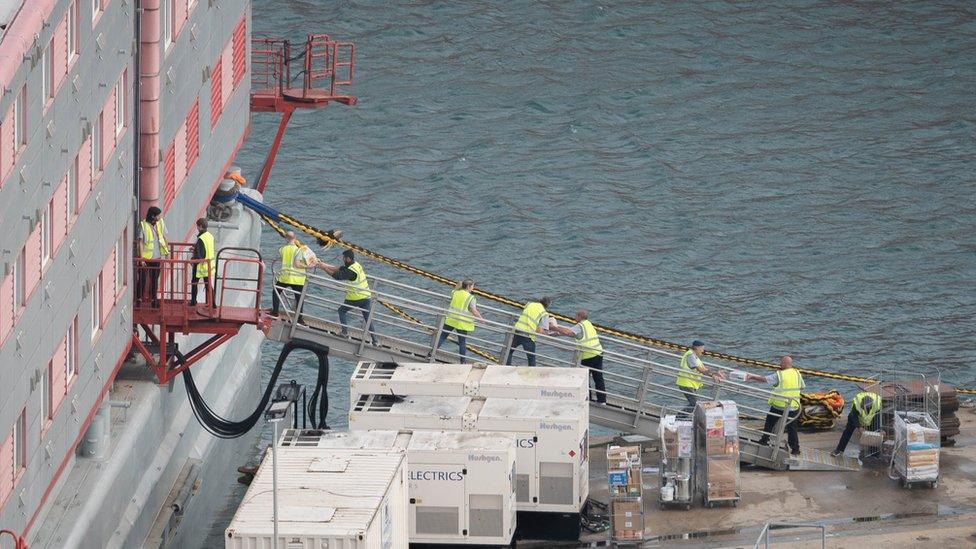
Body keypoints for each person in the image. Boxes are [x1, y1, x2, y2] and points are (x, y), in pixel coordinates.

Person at [745, 355, 805, 456]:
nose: (779, 364)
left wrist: (752, 376)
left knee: (769, 421)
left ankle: (765, 440)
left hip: (780, 405)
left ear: (785, 364)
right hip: (794, 406)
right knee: (792, 428)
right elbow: (802, 387)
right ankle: (795, 449)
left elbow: (764, 379)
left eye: (781, 362)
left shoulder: (780, 375)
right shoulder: (797, 373)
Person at [319, 249, 378, 345]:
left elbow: (337, 276)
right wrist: (324, 265)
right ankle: (375, 340)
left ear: (348, 259)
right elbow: (340, 268)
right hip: (366, 296)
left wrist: (324, 268)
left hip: (356, 298)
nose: (343, 259)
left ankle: (344, 332)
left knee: (341, 311)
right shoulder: (356, 265)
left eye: (344, 258)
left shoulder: (351, 272)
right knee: (367, 318)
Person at [552, 310, 607, 403]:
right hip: (598, 353)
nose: (574, 317)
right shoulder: (588, 324)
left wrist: (554, 328)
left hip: (588, 355)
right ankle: (602, 401)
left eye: (575, 315)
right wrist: (556, 333)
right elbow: (573, 333)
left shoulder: (580, 326)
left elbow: (568, 332)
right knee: (598, 378)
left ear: (579, 316)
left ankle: (588, 399)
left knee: (585, 378)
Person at [435, 279, 483, 360]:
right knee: (462, 342)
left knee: (442, 336)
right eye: (472, 286)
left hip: (451, 319)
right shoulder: (471, 297)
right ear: (468, 286)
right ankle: (462, 361)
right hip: (462, 322)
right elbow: (473, 310)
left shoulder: (455, 293)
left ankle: (431, 353)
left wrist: (460, 284)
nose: (473, 288)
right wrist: (481, 319)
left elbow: (456, 288)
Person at [676, 341, 723, 412]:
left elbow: (704, 368)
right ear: (697, 348)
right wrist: (712, 374)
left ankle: (681, 418)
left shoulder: (695, 357)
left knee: (694, 404)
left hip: (690, 383)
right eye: (702, 349)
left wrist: (715, 372)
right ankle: (680, 418)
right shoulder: (690, 355)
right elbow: (700, 370)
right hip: (686, 383)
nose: (703, 351)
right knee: (696, 405)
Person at [135, 206, 169, 307]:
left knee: (154, 280)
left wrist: (167, 252)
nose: (160, 217)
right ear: (153, 216)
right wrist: (141, 258)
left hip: (157, 257)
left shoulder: (161, 223)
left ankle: (154, 300)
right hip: (145, 258)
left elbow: (165, 238)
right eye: (158, 215)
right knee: (142, 279)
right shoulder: (143, 225)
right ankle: (139, 299)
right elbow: (140, 243)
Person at [505, 297, 552, 367]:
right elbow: (541, 331)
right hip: (528, 335)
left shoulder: (530, 304)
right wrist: (553, 331)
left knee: (509, 351)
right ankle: (532, 374)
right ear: (547, 306)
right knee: (531, 357)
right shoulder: (544, 313)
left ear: (540, 301)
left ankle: (507, 367)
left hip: (517, 330)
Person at [831, 391, 882, 457]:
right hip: (856, 417)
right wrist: (859, 427)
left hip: (871, 418)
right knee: (848, 431)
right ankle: (839, 450)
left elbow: (879, 417)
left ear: (870, 406)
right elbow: (854, 416)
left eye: (864, 407)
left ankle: (874, 453)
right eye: (862, 406)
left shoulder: (877, 404)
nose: (862, 407)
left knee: (874, 432)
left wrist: (881, 429)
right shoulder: (857, 403)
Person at [271, 232, 308, 316]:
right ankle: (299, 319)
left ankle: (275, 312)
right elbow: (301, 263)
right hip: (297, 279)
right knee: (299, 299)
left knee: (276, 292)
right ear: (295, 238)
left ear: (286, 239)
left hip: (285, 278)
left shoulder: (282, 249)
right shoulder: (300, 250)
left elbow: (282, 257)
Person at [189, 218, 215, 307]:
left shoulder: (201, 238)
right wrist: (196, 248)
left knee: (194, 283)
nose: (197, 228)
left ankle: (193, 301)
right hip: (209, 264)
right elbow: (206, 249)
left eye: (197, 226)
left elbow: (201, 254)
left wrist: (193, 259)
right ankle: (213, 304)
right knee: (208, 285)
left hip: (201, 266)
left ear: (200, 226)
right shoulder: (210, 236)